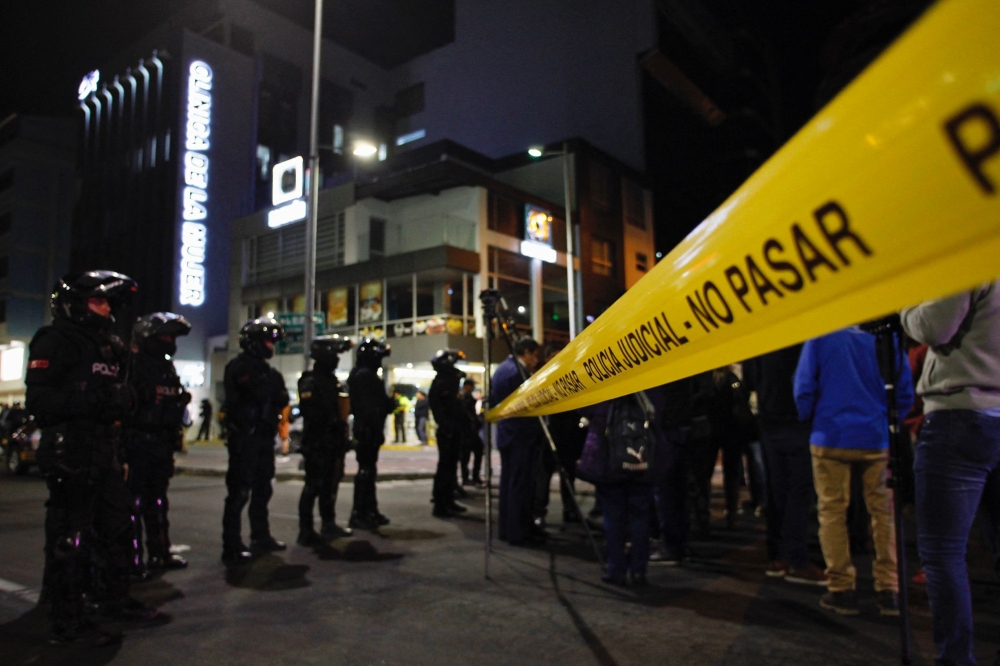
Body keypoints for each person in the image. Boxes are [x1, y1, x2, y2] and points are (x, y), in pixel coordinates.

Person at [27, 270, 158, 647]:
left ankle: (112, 598)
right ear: (75, 303)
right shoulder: (55, 340)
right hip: (70, 449)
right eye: (98, 301)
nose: (105, 310)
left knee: (119, 527)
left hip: (106, 451)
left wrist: (130, 403)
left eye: (108, 304)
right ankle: (67, 617)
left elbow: (123, 396)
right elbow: (40, 403)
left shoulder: (112, 347)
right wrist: (94, 402)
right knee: (72, 536)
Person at [901, 281, 1000, 665]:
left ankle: (957, 659)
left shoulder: (969, 257)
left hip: (961, 412)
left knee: (943, 552)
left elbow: (934, 327)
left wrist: (904, 302)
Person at [794, 325, 913, 616]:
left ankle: (842, 588)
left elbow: (804, 387)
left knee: (832, 512)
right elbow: (905, 392)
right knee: (883, 512)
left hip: (830, 435)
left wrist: (811, 417)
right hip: (874, 436)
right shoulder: (886, 338)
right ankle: (889, 589)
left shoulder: (821, 334)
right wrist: (884, 418)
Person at [744, 345, 827, 585]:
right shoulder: (800, 338)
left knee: (776, 490)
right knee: (798, 493)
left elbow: (751, 378)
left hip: (769, 419)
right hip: (796, 419)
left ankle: (777, 556)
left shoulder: (762, 338)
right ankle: (797, 560)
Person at [124, 312, 193, 578]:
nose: (169, 341)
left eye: (172, 336)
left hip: (161, 445)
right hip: (137, 443)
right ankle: (132, 559)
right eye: (164, 335)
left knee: (158, 501)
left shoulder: (167, 368)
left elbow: (170, 404)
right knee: (133, 503)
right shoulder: (132, 365)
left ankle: (160, 552)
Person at [220, 317, 289, 562]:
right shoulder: (238, 367)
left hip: (263, 438)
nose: (270, 346)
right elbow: (246, 397)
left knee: (263, 489)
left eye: (272, 342)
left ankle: (261, 536)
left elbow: (281, 397)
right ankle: (232, 545)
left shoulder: (269, 372)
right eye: (266, 341)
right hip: (244, 438)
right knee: (239, 493)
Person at [577, 392, 658, 585]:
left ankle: (616, 569)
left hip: (610, 463)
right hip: (642, 464)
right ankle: (639, 569)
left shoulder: (604, 390)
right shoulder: (648, 389)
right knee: (640, 517)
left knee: (613, 518)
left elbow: (583, 409)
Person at [297, 336, 354, 546]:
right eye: (334, 354)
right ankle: (305, 530)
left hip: (332, 443)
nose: (336, 359)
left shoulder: (332, 380)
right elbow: (312, 412)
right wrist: (331, 425)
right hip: (317, 443)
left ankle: (328, 524)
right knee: (313, 486)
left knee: (330, 486)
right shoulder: (310, 380)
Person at [492, 337, 545, 546]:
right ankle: (518, 530)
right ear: (527, 352)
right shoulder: (516, 373)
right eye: (535, 356)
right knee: (519, 485)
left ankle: (510, 528)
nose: (536, 361)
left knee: (510, 484)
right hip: (519, 435)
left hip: (509, 435)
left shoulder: (504, 369)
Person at [692, 366, 753, 529]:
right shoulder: (731, 377)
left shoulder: (705, 378)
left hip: (711, 431)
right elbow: (743, 395)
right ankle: (732, 513)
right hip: (732, 430)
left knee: (705, 474)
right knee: (731, 474)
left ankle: (704, 515)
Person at [348, 337, 395, 530]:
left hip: (369, 429)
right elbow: (371, 407)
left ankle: (369, 510)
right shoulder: (364, 376)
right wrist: (387, 405)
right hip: (367, 430)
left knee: (369, 471)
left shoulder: (363, 375)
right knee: (366, 472)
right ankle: (360, 512)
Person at [650, 377, 695, 565]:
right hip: (681, 427)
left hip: (667, 429)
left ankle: (671, 545)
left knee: (666, 491)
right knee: (678, 490)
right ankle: (679, 544)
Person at [429, 349, 470, 518]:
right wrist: (448, 426)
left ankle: (449, 500)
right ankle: (441, 504)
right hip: (447, 431)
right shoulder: (441, 384)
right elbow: (442, 410)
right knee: (445, 468)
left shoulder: (448, 382)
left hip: (454, 429)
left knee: (451, 467)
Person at [460, 379, 484, 487]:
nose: (473, 388)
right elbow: (468, 414)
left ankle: (473, 476)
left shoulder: (467, 397)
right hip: (467, 431)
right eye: (471, 386)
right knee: (467, 455)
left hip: (469, 430)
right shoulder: (464, 397)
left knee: (475, 452)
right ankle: (468, 477)